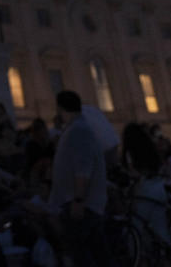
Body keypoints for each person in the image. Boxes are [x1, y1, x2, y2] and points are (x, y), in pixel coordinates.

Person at [49, 90, 111, 266]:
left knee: (83, 256)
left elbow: (83, 169)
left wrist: (78, 200)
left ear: (60, 108)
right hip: (84, 203)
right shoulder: (78, 129)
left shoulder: (78, 131)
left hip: (81, 204)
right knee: (97, 255)